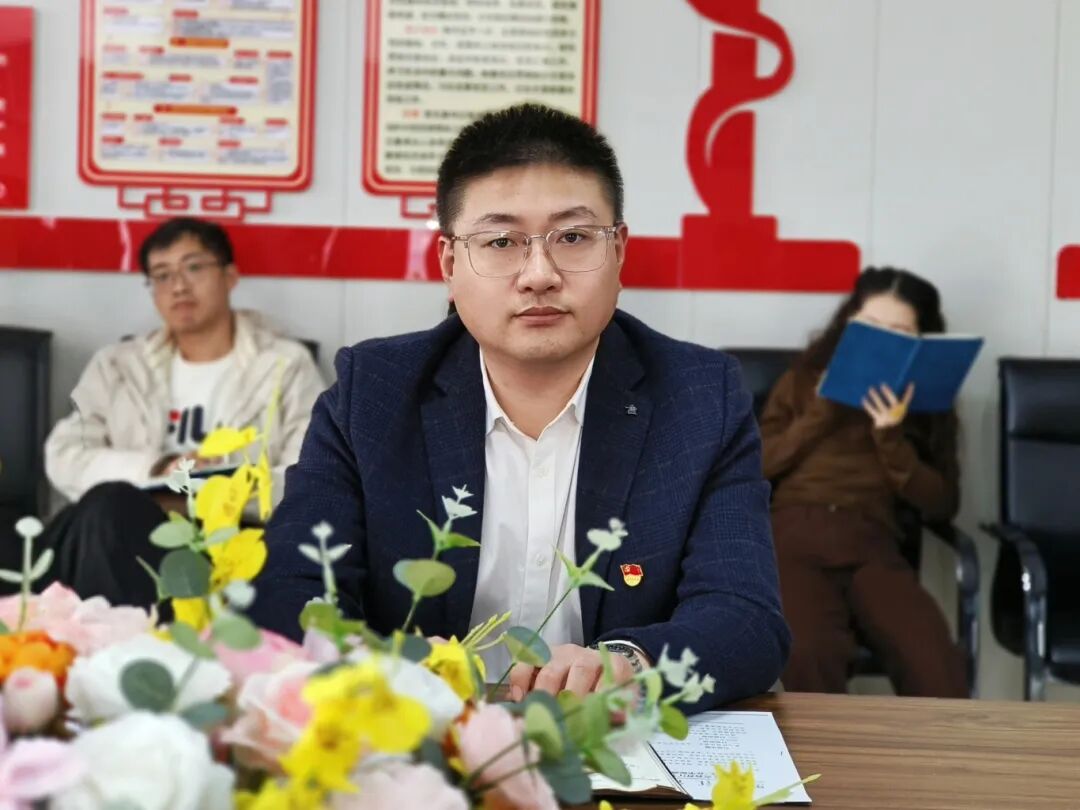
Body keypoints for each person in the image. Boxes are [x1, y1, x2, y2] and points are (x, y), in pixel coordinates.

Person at [249, 103, 790, 707]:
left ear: (619, 252)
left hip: (610, 736)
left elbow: (744, 616)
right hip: (420, 733)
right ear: (450, 264)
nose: (539, 274)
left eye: (574, 237)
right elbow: (292, 591)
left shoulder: (700, 397)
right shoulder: (372, 392)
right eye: (501, 241)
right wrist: (392, 669)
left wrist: (628, 665)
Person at [26, 217, 324, 606]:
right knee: (105, 509)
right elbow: (64, 455)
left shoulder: (284, 364)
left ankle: (123, 637)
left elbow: (312, 475)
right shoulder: (118, 364)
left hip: (231, 537)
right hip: (120, 525)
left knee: (105, 516)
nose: (178, 286)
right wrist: (159, 469)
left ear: (230, 276)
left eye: (193, 267)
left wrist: (211, 492)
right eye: (162, 275)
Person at [760, 267, 967, 697]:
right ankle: (823, 746)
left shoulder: (924, 403)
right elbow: (758, 465)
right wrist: (821, 411)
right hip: (796, 535)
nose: (882, 342)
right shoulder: (803, 380)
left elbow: (942, 504)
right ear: (848, 325)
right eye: (870, 327)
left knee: (934, 663)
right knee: (808, 653)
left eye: (899, 333)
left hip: (873, 543)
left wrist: (890, 436)